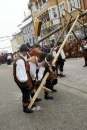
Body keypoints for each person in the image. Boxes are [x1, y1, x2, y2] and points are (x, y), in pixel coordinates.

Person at [13, 44, 34, 113]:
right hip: (20, 79)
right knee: (26, 92)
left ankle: (28, 102)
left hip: (20, 78)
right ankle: (25, 107)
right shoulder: (20, 60)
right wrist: (24, 82)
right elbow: (20, 72)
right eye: (26, 51)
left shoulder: (20, 57)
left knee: (26, 91)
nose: (27, 53)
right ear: (23, 51)